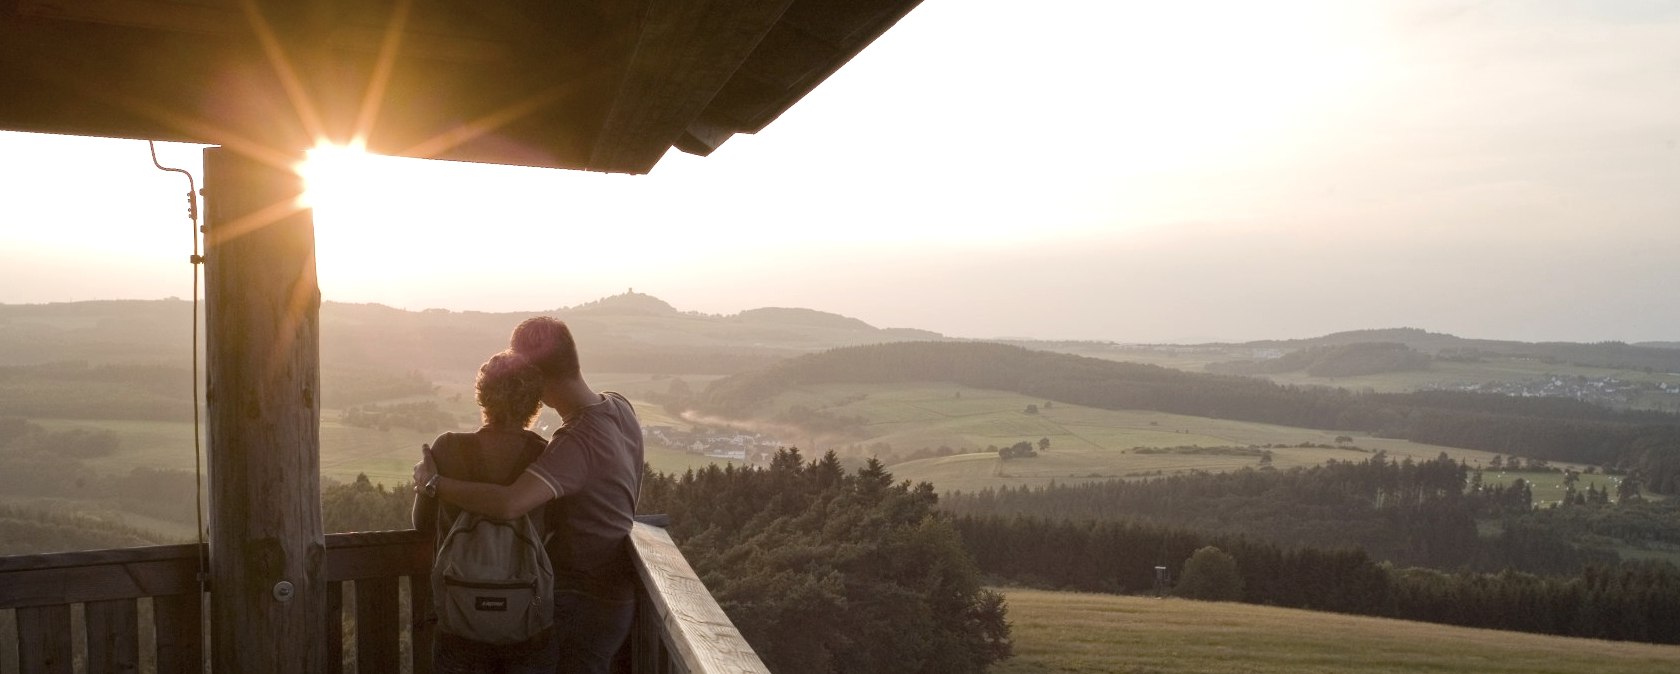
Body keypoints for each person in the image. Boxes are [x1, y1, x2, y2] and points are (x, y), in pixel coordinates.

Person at [415, 316, 644, 674]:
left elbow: (508, 504)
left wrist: (434, 484)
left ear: (535, 377)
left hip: (581, 599)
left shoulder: (574, 442)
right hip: (614, 593)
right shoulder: (618, 406)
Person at [413, 350, 558, 673]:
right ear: (534, 403)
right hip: (527, 624)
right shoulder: (544, 454)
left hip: (459, 622)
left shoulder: (447, 447)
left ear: (482, 396)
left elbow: (422, 524)